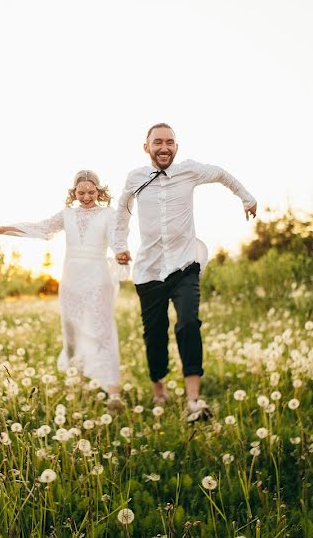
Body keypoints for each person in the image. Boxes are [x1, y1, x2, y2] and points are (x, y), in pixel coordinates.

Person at [113, 123, 257, 422]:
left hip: (184, 265)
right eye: (157, 143)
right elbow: (122, 212)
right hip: (149, 270)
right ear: (146, 147)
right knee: (154, 334)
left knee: (189, 323)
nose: (164, 147)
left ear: (176, 147)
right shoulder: (135, 178)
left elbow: (221, 173)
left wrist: (246, 197)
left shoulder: (189, 171)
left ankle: (193, 401)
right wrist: (120, 246)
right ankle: (159, 392)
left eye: (170, 142)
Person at [0, 170, 126, 410]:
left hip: (98, 278)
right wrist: (3, 229)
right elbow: (41, 228)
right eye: (81, 193)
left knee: (103, 332)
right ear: (74, 193)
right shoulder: (67, 215)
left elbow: (116, 237)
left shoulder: (108, 214)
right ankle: (79, 384)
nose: (87, 196)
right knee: (71, 337)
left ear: (99, 191)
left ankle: (113, 394)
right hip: (71, 280)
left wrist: (121, 252)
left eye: (91, 192)